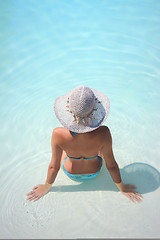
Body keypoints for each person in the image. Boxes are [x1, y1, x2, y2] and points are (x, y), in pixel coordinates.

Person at [26, 86, 143, 203]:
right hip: (94, 172)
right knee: (100, 148)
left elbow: (53, 167)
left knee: (65, 151)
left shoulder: (58, 134)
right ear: (95, 110)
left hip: (71, 173)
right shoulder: (104, 133)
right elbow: (112, 166)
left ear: (68, 110)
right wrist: (122, 188)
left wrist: (46, 187)